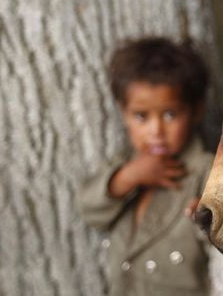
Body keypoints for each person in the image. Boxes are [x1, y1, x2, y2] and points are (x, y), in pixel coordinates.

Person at [78, 37, 213, 296]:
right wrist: (127, 178)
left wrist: (208, 220)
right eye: (141, 116)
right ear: (123, 113)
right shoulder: (127, 162)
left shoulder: (206, 171)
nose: (156, 132)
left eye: (170, 114)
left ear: (196, 111)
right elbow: (91, 211)